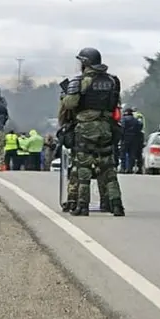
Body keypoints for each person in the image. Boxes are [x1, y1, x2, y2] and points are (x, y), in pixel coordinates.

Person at [58, 47, 124, 216]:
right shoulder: (112, 81)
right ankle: (116, 204)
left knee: (83, 166)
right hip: (107, 128)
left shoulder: (80, 81)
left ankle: (82, 205)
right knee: (108, 167)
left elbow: (71, 104)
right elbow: (115, 103)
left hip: (86, 128)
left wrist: (65, 96)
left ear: (85, 63)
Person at [119, 107, 143, 173]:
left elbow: (122, 128)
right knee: (132, 154)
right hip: (134, 139)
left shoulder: (124, 119)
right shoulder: (136, 120)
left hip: (125, 139)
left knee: (123, 154)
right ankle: (130, 169)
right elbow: (140, 126)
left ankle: (123, 168)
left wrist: (121, 137)